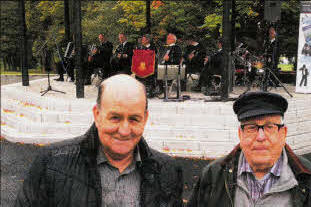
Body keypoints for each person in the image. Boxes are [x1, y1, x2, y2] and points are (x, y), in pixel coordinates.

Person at [15, 74, 184, 207]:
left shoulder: (169, 171)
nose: (124, 131)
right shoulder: (51, 164)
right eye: (115, 118)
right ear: (97, 115)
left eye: (134, 119)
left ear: (145, 119)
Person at [188, 91, 311, 206]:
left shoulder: (307, 177)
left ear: (283, 133)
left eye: (270, 127)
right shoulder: (213, 176)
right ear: (240, 134)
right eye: (251, 127)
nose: (261, 137)